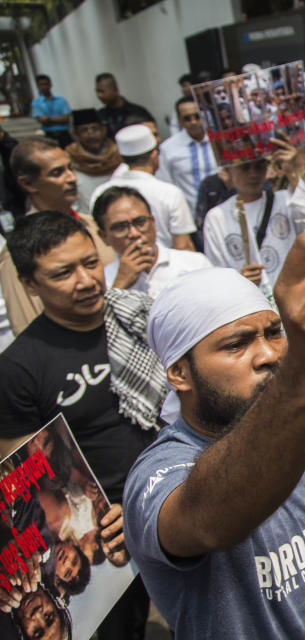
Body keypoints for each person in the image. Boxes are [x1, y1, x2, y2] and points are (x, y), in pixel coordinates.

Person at [122, 244, 305, 638]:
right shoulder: (158, 473)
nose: (268, 354)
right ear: (180, 373)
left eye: (273, 333)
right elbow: (205, 522)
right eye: (237, 344)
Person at [0, 211, 167, 639]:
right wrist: (95, 522)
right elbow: (26, 479)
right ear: (29, 284)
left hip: (182, 501)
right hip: (111, 542)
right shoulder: (18, 369)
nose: (87, 280)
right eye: (63, 273)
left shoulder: (145, 319)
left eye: (91, 263)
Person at [0, 137, 115, 334]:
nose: (72, 178)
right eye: (57, 173)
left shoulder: (94, 226)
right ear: (28, 183)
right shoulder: (19, 251)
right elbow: (26, 327)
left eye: (70, 168)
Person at [203, 132, 305, 291]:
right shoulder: (216, 217)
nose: (253, 174)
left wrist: (293, 172)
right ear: (228, 170)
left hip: (295, 295)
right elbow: (216, 273)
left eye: (259, 166)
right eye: (244, 167)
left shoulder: (287, 199)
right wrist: (238, 281)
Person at [91, 124, 196, 251]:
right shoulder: (169, 193)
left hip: (121, 268)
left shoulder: (100, 192)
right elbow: (183, 245)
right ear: (154, 155)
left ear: (122, 159)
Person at [93, 186, 212, 296]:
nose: (134, 233)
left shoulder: (194, 264)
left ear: (153, 223)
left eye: (140, 222)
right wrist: (120, 285)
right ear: (104, 237)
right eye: (120, 227)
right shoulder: (103, 281)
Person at [157, 97, 218, 213]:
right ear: (179, 121)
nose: (193, 122)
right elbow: (165, 185)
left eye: (197, 116)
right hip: (191, 214)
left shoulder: (219, 141)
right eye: (187, 118)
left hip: (223, 211)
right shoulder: (168, 148)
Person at [65, 108, 122, 213]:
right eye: (84, 130)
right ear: (76, 135)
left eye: (95, 129)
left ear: (103, 130)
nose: (91, 135)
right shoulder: (69, 161)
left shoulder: (118, 156)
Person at [95, 73, 154, 140]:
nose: (99, 95)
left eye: (102, 91)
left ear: (115, 90)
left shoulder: (137, 112)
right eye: (97, 91)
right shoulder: (100, 116)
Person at [30, 75, 71, 147]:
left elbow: (66, 118)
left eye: (45, 84)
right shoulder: (36, 102)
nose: (44, 87)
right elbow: (41, 119)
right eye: (41, 85)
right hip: (48, 134)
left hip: (64, 134)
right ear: (38, 86)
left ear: (50, 85)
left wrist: (49, 119)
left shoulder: (61, 100)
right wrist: (59, 119)